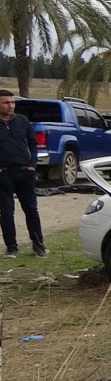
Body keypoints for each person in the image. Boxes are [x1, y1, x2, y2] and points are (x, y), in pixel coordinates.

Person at [0, 90, 45, 258]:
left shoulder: (22, 121)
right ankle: (11, 247)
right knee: (6, 212)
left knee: (31, 210)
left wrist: (32, 165)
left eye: (12, 102)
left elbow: (33, 144)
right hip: (4, 174)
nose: (10, 105)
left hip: (25, 172)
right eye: (6, 102)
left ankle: (38, 245)